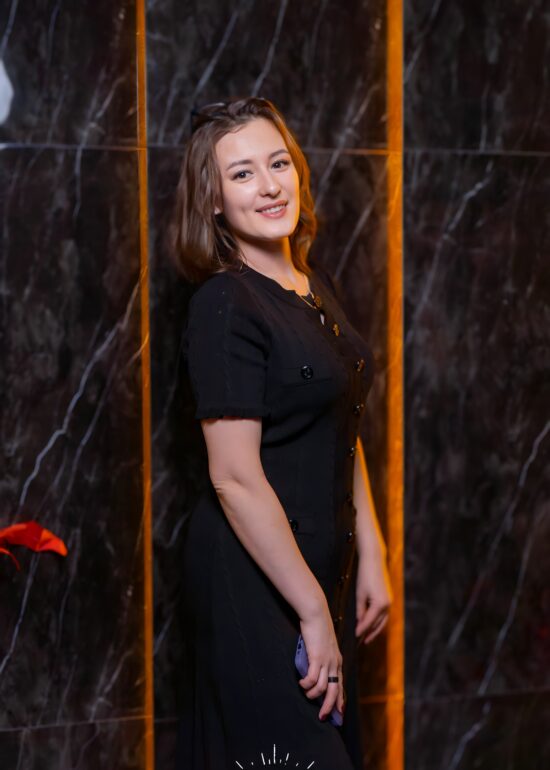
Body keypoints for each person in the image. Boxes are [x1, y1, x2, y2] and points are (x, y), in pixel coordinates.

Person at [169, 96, 392, 770]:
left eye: (278, 164)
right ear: (213, 201)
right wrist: (313, 611)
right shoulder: (224, 303)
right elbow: (234, 478)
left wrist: (372, 551)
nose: (269, 186)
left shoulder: (311, 284)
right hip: (253, 581)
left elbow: (341, 421)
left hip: (318, 572)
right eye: (242, 174)